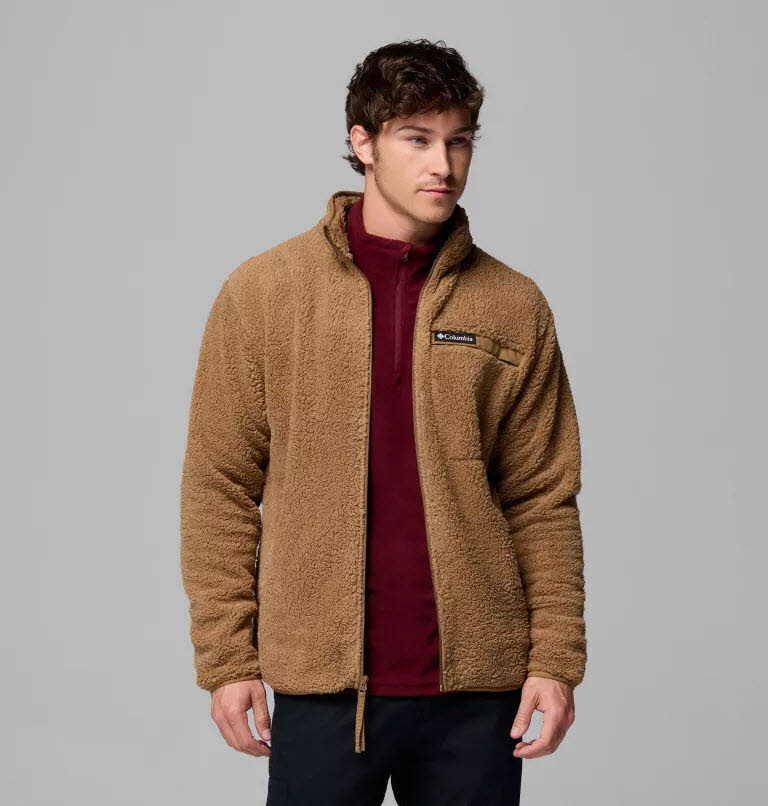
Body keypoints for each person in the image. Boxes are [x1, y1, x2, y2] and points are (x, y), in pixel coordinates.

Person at [180, 38, 587, 806]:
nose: (444, 165)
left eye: (459, 141)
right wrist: (228, 660)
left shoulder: (512, 304)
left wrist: (555, 661)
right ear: (362, 144)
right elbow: (218, 484)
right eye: (418, 139)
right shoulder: (264, 293)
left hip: (479, 693)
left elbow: (542, 496)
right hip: (323, 688)